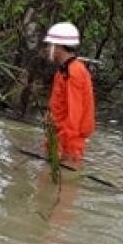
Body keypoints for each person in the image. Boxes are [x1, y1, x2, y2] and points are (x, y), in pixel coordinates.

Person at [43, 22, 95, 166]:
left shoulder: (73, 72)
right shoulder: (65, 70)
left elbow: (74, 115)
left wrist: (61, 144)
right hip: (58, 135)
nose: (47, 49)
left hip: (68, 142)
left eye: (50, 45)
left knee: (63, 178)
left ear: (58, 47)